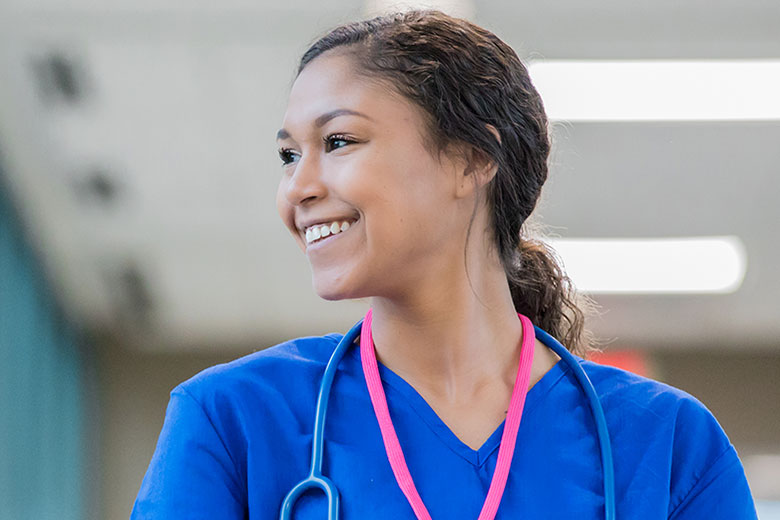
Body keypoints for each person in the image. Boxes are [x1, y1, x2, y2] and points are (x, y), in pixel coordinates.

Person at [131, 9, 758, 519]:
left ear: (470, 159)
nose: (298, 188)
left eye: (339, 142)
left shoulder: (667, 446)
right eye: (289, 156)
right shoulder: (234, 420)